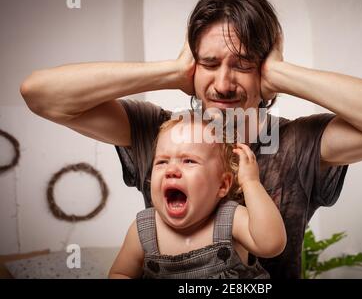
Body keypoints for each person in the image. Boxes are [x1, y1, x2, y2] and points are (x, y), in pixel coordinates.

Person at [20, 0, 362, 278]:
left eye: (245, 64)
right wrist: (172, 72)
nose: (224, 83)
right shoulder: (160, 134)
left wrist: (280, 73)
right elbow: (41, 95)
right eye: (209, 63)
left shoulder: (302, 144)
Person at [108, 114, 286, 278]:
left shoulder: (230, 218)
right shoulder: (143, 230)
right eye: (162, 161)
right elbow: (120, 273)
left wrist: (251, 183)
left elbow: (271, 244)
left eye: (189, 161)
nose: (171, 170)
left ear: (222, 185)